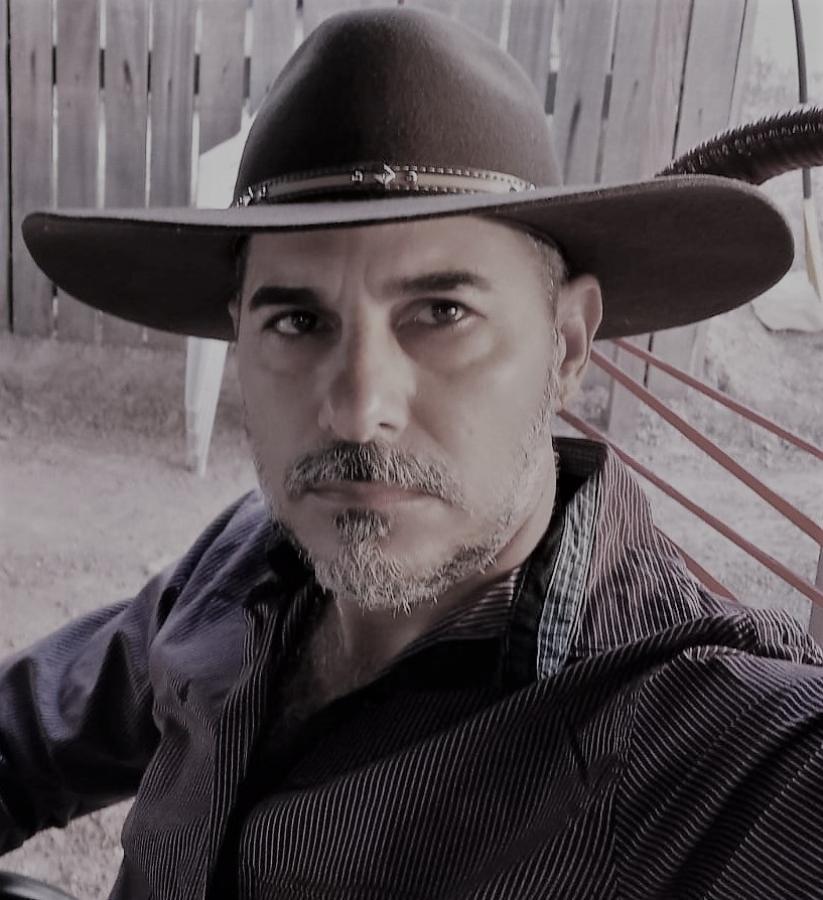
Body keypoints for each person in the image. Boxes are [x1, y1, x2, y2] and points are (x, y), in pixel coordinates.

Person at [5, 7, 823, 899]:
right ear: (240, 337)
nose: (358, 412)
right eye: (297, 321)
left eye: (441, 313)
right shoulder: (247, 561)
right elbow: (23, 734)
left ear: (565, 346)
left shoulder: (701, 737)